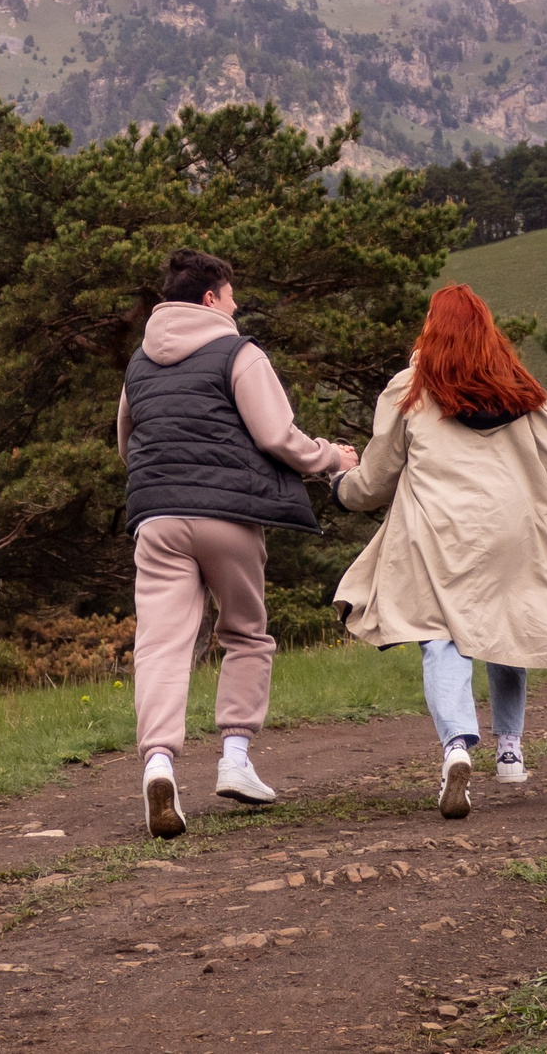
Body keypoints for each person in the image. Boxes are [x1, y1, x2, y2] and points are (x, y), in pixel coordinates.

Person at [331, 284, 547, 820]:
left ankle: (457, 748)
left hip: (437, 535)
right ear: (487, 329)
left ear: (431, 328)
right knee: (508, 625)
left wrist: (342, 486)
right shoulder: (520, 390)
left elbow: (377, 478)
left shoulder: (408, 390)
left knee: (441, 641)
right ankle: (509, 750)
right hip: (515, 531)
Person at [117, 248, 359, 838]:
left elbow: (128, 444)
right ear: (209, 299)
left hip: (157, 516)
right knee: (247, 633)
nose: (235, 304)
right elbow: (277, 435)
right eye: (230, 295)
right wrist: (333, 458)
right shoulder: (238, 352)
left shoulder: (138, 364)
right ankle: (235, 759)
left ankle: (159, 765)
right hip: (228, 515)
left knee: (162, 646)